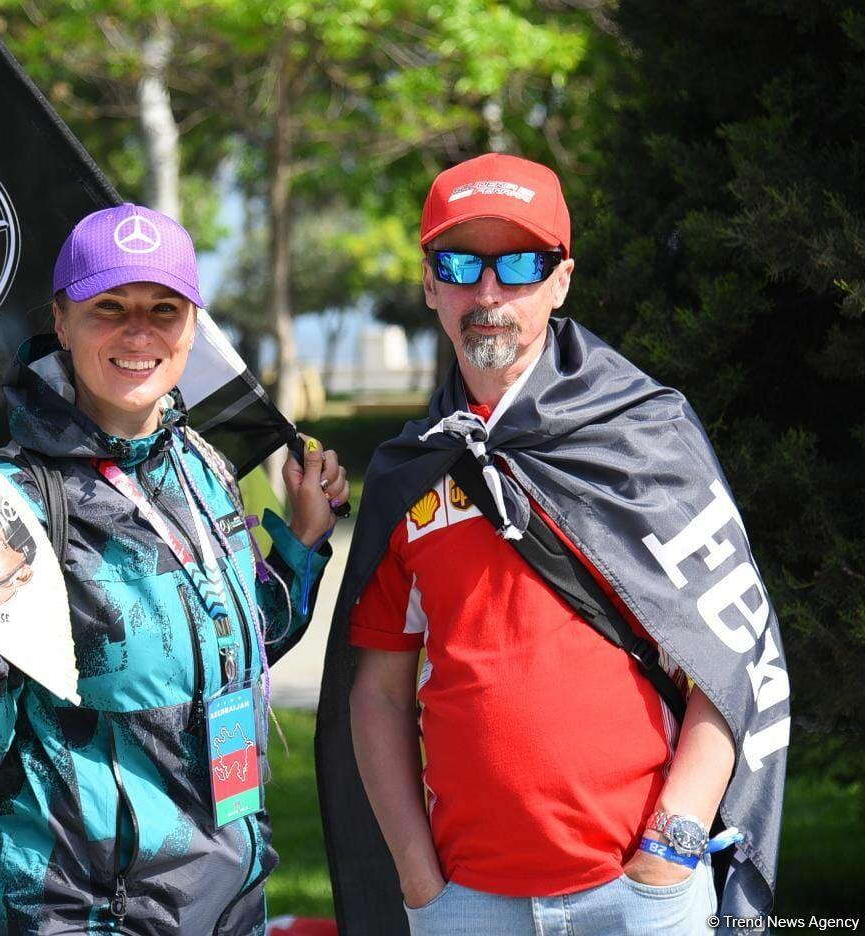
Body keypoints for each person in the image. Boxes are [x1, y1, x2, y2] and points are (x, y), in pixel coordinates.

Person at [320, 153, 787, 935]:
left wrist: (672, 850)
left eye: (520, 265)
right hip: (466, 905)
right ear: (430, 284)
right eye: (461, 265)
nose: (488, 293)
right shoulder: (410, 473)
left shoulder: (644, 440)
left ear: (561, 280)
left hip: (641, 898)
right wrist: (419, 879)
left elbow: (732, 657)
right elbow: (379, 695)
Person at [0, 203, 350, 934]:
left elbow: (239, 648)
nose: (139, 333)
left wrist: (301, 541)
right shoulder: (10, 504)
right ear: (62, 320)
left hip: (230, 894)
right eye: (109, 307)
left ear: (193, 326)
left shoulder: (202, 466)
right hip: (87, 910)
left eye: (163, 309)